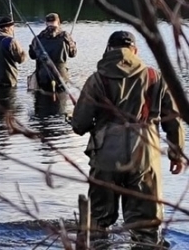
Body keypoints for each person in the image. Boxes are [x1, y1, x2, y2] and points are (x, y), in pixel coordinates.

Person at [71, 30, 185, 249]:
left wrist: (81, 122)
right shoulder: (154, 76)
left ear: (108, 50)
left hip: (106, 154)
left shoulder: (97, 79)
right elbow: (173, 120)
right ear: (135, 50)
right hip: (145, 154)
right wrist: (176, 155)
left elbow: (79, 124)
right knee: (146, 227)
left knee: (97, 224)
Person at [28, 12, 77, 93]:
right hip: (61, 76)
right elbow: (73, 54)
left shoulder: (38, 38)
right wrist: (72, 44)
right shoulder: (65, 36)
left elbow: (32, 55)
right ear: (58, 22)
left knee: (42, 103)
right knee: (60, 103)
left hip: (43, 77)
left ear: (46, 23)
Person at [0, 15, 27, 87]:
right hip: (7, 80)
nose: (13, 30)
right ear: (7, 28)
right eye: (12, 27)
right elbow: (20, 59)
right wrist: (22, 51)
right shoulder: (11, 41)